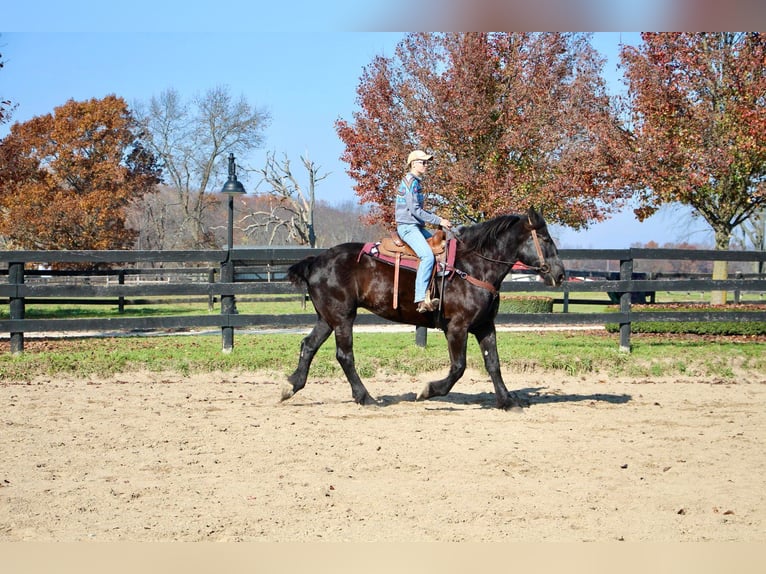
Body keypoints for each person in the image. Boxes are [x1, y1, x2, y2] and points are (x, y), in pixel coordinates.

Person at [395, 150, 452, 313]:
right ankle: (420, 299)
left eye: (427, 162)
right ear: (413, 163)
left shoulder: (416, 182)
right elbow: (415, 210)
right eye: (423, 162)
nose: (426, 165)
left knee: (443, 247)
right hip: (408, 227)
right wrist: (439, 220)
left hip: (416, 227)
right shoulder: (410, 182)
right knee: (427, 256)